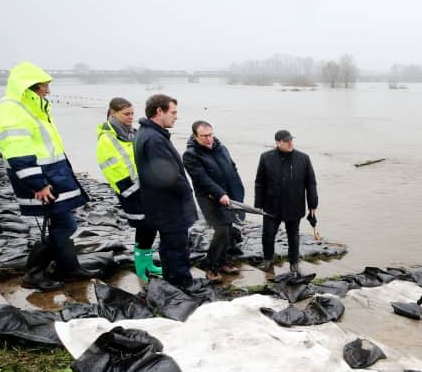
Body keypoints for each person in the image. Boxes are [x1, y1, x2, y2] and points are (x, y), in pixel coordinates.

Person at [0, 61, 100, 290]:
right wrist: (37, 184)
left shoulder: (30, 107)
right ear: (29, 86)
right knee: (65, 224)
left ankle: (68, 268)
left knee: (62, 221)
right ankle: (35, 273)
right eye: (44, 86)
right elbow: (18, 151)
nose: (48, 91)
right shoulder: (10, 109)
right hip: (41, 179)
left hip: (51, 174)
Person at [133, 94, 197, 288]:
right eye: (173, 112)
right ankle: (181, 285)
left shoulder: (147, 133)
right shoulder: (154, 139)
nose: (176, 117)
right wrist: (187, 192)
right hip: (168, 206)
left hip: (160, 204)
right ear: (159, 111)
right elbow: (168, 176)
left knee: (169, 246)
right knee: (176, 247)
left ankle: (172, 282)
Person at [96, 97, 162, 282]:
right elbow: (111, 168)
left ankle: (147, 262)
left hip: (145, 188)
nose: (131, 117)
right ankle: (141, 267)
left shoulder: (131, 132)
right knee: (143, 225)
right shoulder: (107, 138)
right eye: (126, 114)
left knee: (151, 225)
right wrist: (132, 190)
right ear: (112, 113)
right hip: (131, 191)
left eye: (132, 113)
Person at [182, 121, 245, 282]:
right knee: (222, 231)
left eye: (210, 134)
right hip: (208, 199)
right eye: (204, 136)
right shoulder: (190, 155)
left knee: (229, 230)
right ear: (195, 136)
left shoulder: (222, 148)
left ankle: (223, 262)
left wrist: (237, 191)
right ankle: (211, 267)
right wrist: (219, 194)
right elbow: (201, 179)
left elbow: (232, 168)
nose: (209, 139)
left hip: (228, 197)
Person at [254, 129, 318, 275]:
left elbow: (311, 183)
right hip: (271, 205)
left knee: (293, 236)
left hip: (294, 205)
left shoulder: (303, 158)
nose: (290, 143)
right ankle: (268, 260)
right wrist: (258, 204)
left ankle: (294, 264)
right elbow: (260, 182)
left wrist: (312, 205)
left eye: (291, 140)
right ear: (278, 143)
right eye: (286, 141)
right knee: (268, 235)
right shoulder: (266, 158)